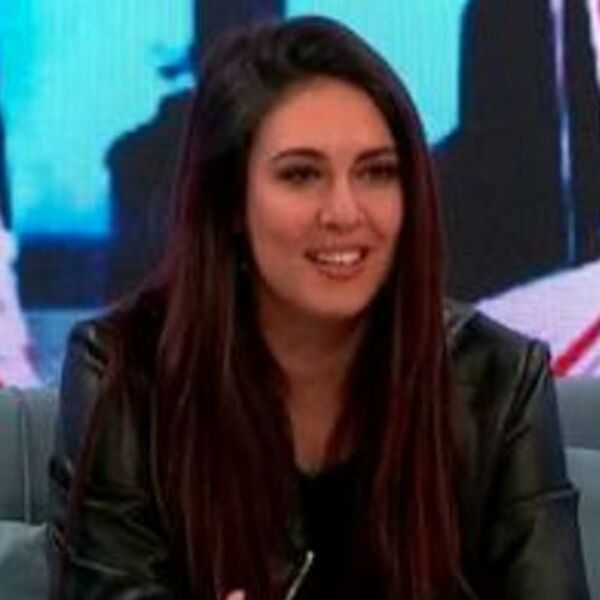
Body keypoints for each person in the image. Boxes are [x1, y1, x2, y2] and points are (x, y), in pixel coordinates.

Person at [48, 16, 590, 599]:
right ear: (230, 202)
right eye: (301, 175)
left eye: (377, 172)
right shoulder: (123, 372)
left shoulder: (499, 382)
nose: (344, 213)